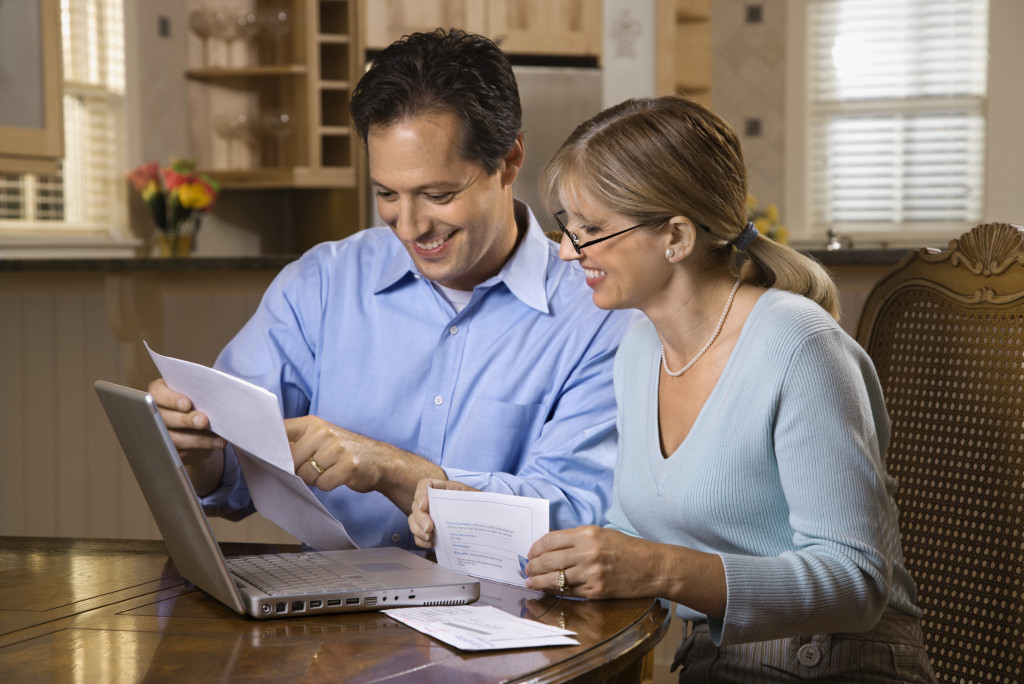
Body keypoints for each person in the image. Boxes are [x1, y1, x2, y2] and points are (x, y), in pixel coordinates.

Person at [409, 96, 935, 682]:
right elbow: (629, 533)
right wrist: (471, 504)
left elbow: (855, 583)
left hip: (836, 667)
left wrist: (660, 570)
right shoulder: (639, 349)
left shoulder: (800, 346)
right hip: (714, 662)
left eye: (591, 231)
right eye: (567, 229)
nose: (565, 251)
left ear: (677, 237)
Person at [148, 28, 636, 550]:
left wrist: (395, 470)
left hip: (515, 618)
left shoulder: (600, 312)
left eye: (438, 194)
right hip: (332, 619)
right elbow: (236, 480)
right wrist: (200, 449)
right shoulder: (322, 283)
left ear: (509, 161)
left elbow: (572, 513)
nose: (409, 227)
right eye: (387, 194)